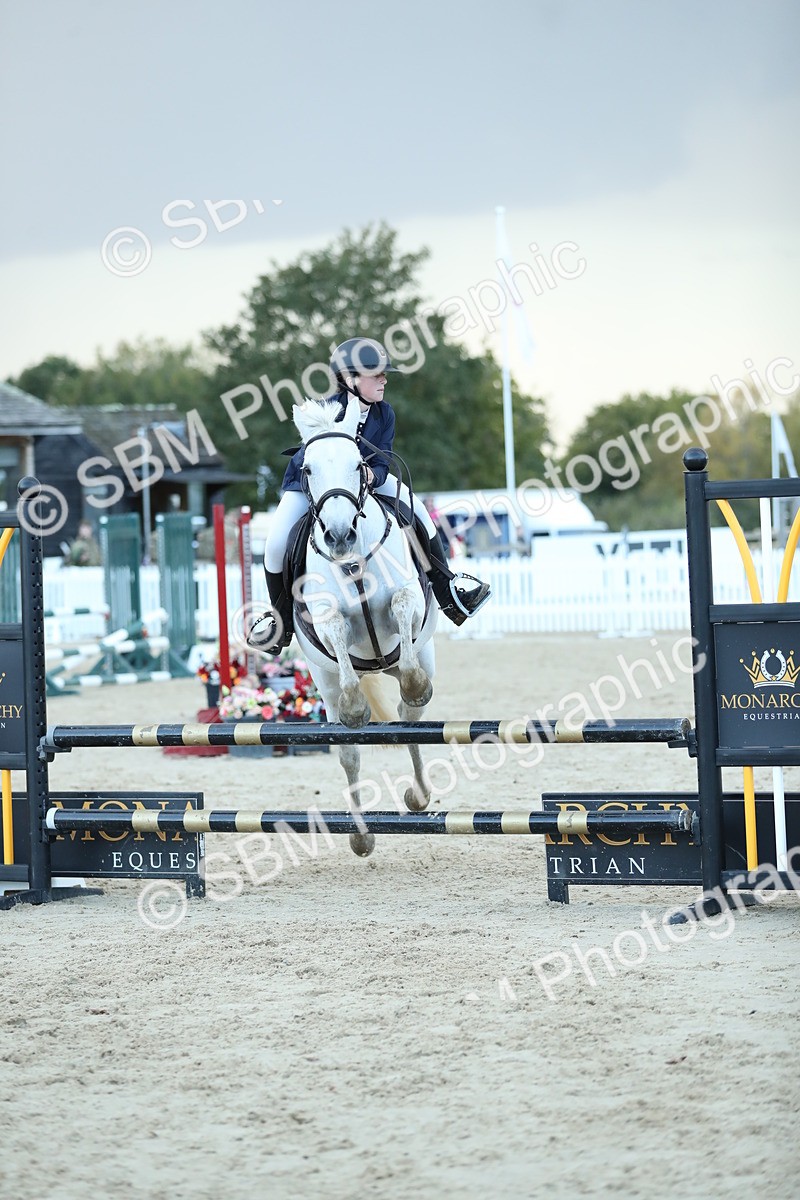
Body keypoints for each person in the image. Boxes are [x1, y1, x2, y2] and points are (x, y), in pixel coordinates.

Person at [252, 336, 491, 654]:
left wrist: (370, 475)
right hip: (314, 486)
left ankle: (448, 592)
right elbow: (317, 460)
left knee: (417, 511)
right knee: (276, 543)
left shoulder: (384, 414)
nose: (384, 379)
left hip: (369, 483)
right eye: (375, 374)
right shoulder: (327, 411)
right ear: (350, 379)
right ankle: (278, 623)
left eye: (383, 373)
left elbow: (383, 459)